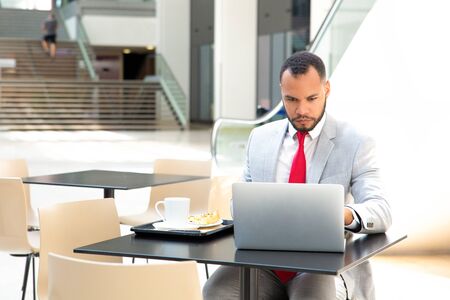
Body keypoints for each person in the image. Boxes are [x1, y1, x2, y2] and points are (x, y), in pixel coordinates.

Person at [203, 51, 392, 300]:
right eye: (291, 99)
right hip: (265, 264)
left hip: (322, 267)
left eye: (311, 98)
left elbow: (381, 211)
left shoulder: (356, 143)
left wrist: (343, 214)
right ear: (281, 91)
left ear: (326, 89)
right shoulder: (259, 139)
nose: (302, 110)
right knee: (217, 289)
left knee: (313, 295)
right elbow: (241, 201)